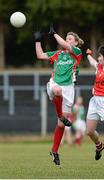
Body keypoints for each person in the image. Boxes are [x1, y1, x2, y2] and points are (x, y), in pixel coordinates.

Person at [34, 24, 84, 165]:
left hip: (69, 89)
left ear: (75, 43)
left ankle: (55, 151)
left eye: (70, 39)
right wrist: (37, 41)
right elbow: (40, 55)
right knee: (57, 92)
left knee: (61, 126)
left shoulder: (77, 53)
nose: (67, 41)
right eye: (66, 38)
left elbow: (63, 44)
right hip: (55, 84)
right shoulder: (58, 54)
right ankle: (60, 115)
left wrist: (54, 33)